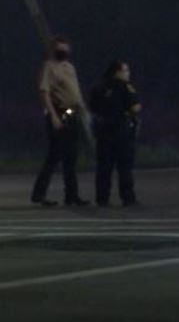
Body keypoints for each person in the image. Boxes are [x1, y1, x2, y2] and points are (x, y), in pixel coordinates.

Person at [30, 36, 89, 207]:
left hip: (73, 113)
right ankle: (39, 194)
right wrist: (53, 115)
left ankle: (72, 195)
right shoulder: (49, 67)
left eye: (66, 48)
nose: (63, 51)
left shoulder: (69, 67)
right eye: (60, 48)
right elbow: (44, 92)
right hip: (59, 112)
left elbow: (75, 92)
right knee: (55, 155)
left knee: (71, 157)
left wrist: (82, 109)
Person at [90, 60, 141, 207]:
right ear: (117, 72)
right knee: (124, 166)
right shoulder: (126, 87)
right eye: (125, 71)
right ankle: (127, 197)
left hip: (103, 130)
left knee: (104, 166)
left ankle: (102, 198)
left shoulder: (98, 87)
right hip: (121, 130)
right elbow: (136, 107)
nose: (128, 74)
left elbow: (93, 107)